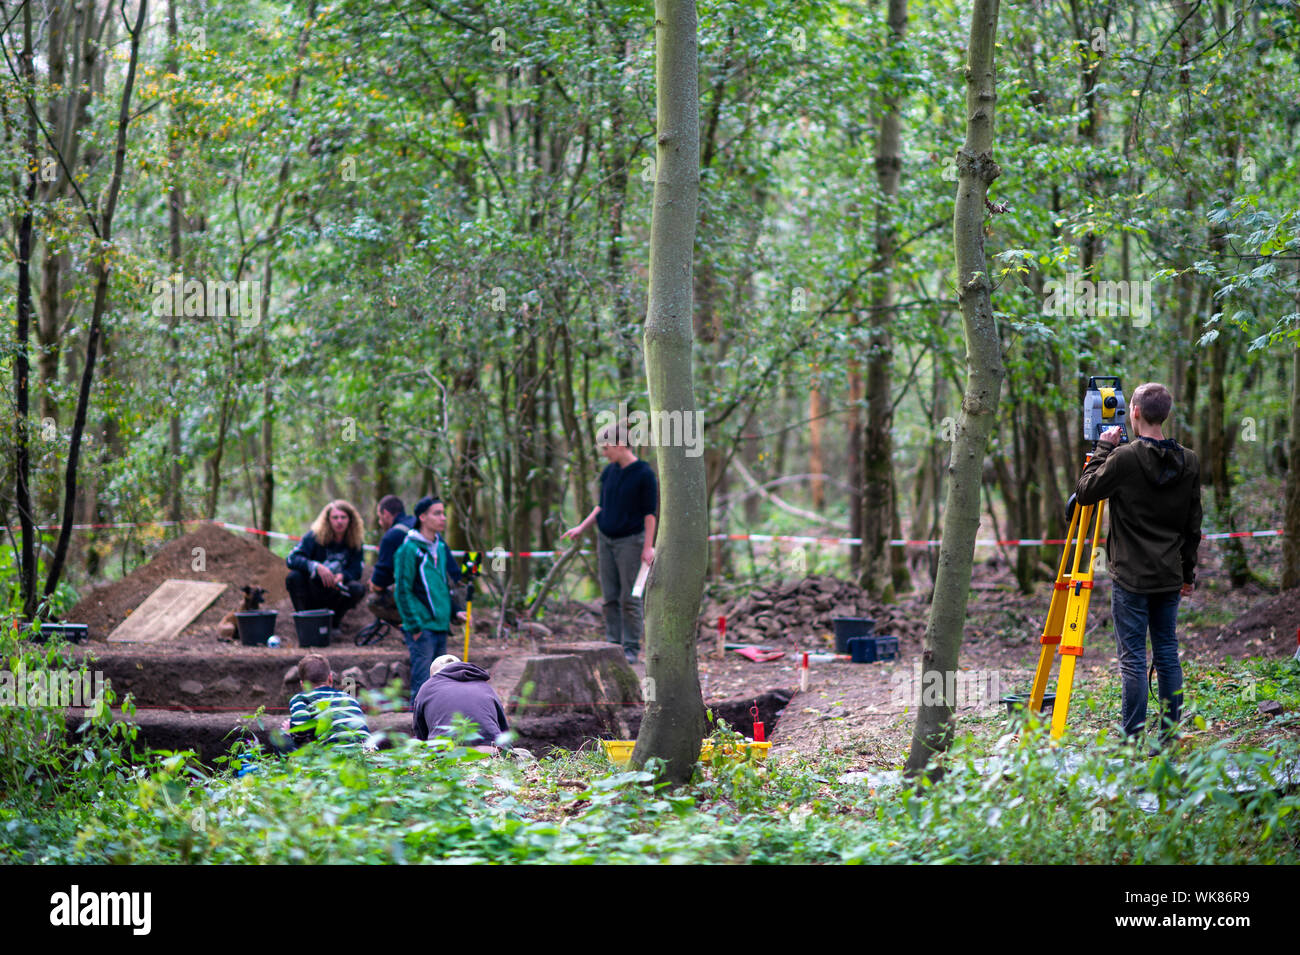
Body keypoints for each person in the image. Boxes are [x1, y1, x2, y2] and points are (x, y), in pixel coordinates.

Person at [1075, 382, 1201, 752]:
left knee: (1132, 660)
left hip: (1130, 578)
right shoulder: (1189, 460)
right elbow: (1194, 524)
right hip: (1168, 575)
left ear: (1133, 413)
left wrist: (1103, 448)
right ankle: (1168, 739)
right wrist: (1188, 574)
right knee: (1166, 651)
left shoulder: (1125, 457)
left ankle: (1130, 743)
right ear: (1166, 413)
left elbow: (1085, 492)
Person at [562, 419, 658, 663]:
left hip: (631, 542)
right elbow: (601, 506)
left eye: (606, 448)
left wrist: (648, 547)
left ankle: (630, 649)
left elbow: (650, 514)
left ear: (619, 444)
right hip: (606, 540)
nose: (604, 453)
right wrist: (582, 527)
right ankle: (612, 645)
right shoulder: (609, 472)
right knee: (610, 598)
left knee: (630, 598)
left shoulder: (644, 474)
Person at [394, 496, 465, 705]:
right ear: (422, 517)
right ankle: (416, 728)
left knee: (442, 681)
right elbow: (402, 590)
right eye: (437, 513)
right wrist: (415, 626)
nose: (443, 518)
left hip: (441, 625)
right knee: (423, 683)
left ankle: (439, 728)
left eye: (444, 513)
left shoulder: (440, 548)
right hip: (422, 628)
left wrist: (454, 611)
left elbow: (442, 585)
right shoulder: (408, 549)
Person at [285, 500, 366, 637]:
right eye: (335, 517)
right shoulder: (313, 537)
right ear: (328, 520)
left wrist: (343, 576)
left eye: (343, 517)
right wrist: (315, 566)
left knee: (357, 588)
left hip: (335, 591)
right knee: (294, 577)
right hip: (312, 590)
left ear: (350, 520)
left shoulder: (355, 542)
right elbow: (292, 559)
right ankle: (304, 621)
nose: (339, 521)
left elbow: (357, 570)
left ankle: (334, 623)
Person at [412, 654, 509, 752]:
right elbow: (503, 730)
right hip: (490, 750)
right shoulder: (486, 687)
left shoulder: (427, 688)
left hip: (446, 752)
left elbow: (421, 736)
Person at [280, 653, 369, 747]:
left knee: (281, 739)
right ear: (330, 678)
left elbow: (300, 730)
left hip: (337, 755)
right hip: (368, 753)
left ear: (302, 684)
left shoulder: (300, 698)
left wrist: (289, 731)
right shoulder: (349, 697)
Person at [367, 494, 414, 627]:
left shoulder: (392, 536)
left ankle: (413, 627)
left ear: (386, 514)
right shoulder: (421, 525)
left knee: (374, 601)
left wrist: (373, 584)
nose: (379, 522)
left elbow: (379, 583)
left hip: (416, 590)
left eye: (379, 517)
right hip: (439, 588)